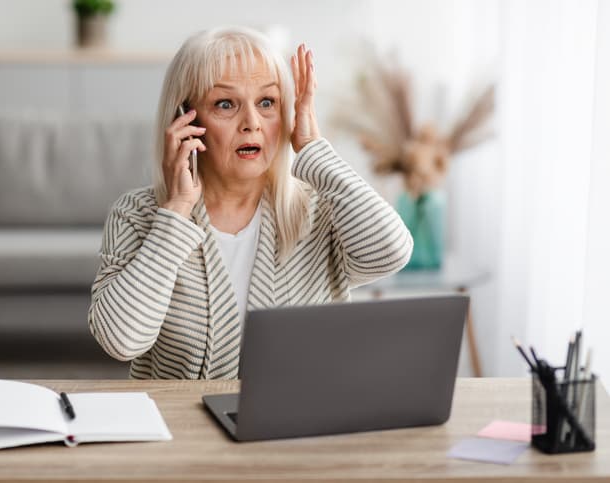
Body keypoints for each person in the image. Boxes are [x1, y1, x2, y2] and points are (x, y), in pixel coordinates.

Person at [88, 26, 413, 379]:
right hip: (183, 430)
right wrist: (176, 211)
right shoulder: (137, 215)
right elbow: (121, 340)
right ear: (185, 120)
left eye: (267, 103)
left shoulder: (319, 209)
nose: (252, 123)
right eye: (225, 104)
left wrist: (313, 149)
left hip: (296, 427)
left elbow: (391, 253)